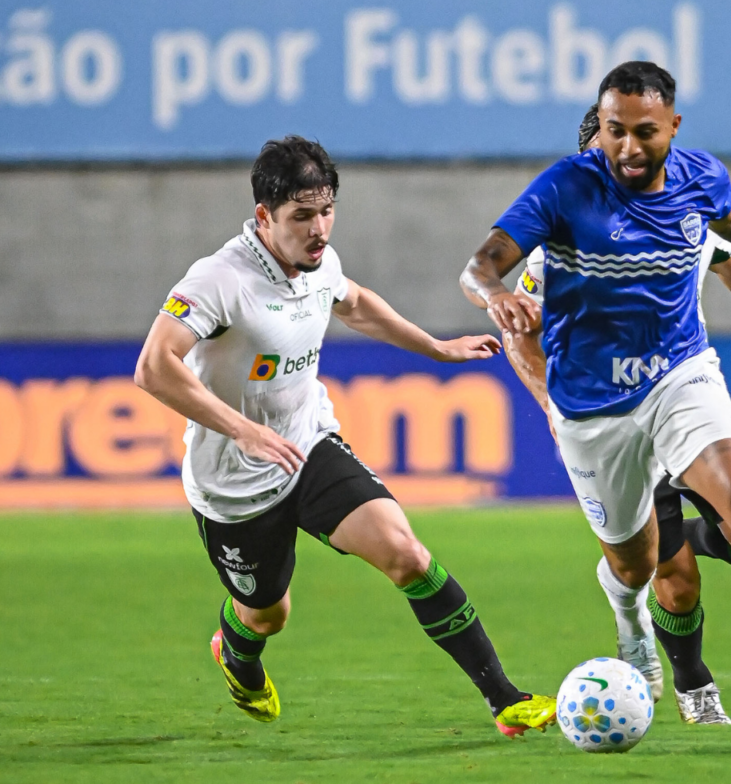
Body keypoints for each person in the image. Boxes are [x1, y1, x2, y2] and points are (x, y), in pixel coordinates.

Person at [461, 62, 731, 737]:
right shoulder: (564, 192)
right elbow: (482, 266)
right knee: (638, 562)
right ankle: (628, 616)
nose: (626, 147)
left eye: (643, 131)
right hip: (594, 407)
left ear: (672, 127)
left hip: (680, 375)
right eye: (614, 132)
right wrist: (496, 298)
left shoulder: (700, 181)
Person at [135, 135, 556, 737]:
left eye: (326, 211)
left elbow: (355, 303)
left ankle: (504, 700)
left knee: (408, 555)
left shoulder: (318, 262)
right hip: (234, 482)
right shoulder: (217, 280)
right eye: (302, 216)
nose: (319, 228)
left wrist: (436, 347)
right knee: (267, 614)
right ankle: (237, 651)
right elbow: (154, 368)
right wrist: (244, 431)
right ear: (264, 217)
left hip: (308, 447)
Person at [505, 104, 731, 725]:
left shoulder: (676, 207)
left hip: (683, 404)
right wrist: (552, 408)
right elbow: (518, 332)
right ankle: (694, 682)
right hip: (616, 419)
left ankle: (675, 546)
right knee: (676, 580)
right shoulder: (559, 237)